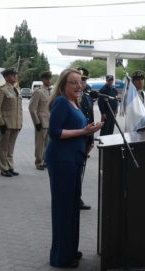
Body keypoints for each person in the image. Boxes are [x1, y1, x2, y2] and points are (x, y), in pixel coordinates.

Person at [46, 68, 103, 268]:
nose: (79, 86)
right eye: (74, 82)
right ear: (63, 85)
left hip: (73, 159)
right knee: (64, 209)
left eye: (81, 82)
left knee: (72, 208)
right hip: (62, 161)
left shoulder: (75, 102)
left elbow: (77, 130)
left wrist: (89, 134)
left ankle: (70, 249)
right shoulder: (61, 102)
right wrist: (83, 131)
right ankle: (61, 257)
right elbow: (54, 132)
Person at [0, 68, 23, 177]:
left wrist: (20, 123)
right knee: (3, 147)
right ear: (6, 77)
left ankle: (10, 166)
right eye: (12, 75)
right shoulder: (2, 90)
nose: (15, 77)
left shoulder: (17, 90)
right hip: (6, 124)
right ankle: (3, 168)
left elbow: (19, 108)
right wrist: (1, 123)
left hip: (16, 123)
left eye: (15, 75)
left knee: (11, 147)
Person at [77, 67, 95, 210]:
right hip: (74, 138)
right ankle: (70, 197)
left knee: (80, 170)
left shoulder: (88, 96)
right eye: (80, 80)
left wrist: (91, 139)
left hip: (85, 138)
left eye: (84, 80)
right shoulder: (68, 97)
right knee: (73, 170)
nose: (82, 83)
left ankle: (77, 197)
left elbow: (91, 118)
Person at [28, 71, 52, 170]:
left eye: (50, 78)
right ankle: (38, 162)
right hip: (41, 122)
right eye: (47, 78)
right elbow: (32, 108)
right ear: (43, 80)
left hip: (50, 122)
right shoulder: (38, 92)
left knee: (48, 144)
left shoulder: (50, 92)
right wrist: (36, 122)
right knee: (40, 144)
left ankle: (45, 160)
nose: (49, 80)